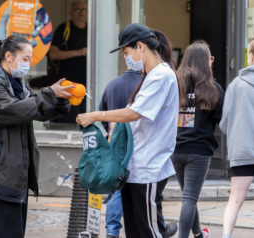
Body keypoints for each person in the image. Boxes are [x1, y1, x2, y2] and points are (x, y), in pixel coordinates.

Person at [77, 23, 181, 238]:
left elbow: (134, 113)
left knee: (149, 232)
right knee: (135, 232)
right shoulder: (152, 75)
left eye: (126, 52)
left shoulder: (161, 75)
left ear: (140, 47)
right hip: (136, 168)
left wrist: (96, 115)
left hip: (148, 167)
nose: (126, 57)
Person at [0, 35, 74, 238]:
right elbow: (14, 110)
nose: (28, 63)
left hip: (17, 171)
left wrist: (59, 102)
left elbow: (33, 108)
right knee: (9, 233)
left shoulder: (18, 83)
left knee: (15, 232)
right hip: (0, 171)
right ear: (9, 56)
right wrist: (49, 93)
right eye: (25, 59)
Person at [100, 61, 178, 238]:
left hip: (126, 153)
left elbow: (107, 116)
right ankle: (160, 226)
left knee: (116, 190)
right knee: (147, 223)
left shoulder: (117, 84)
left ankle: (112, 230)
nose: (126, 56)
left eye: (126, 52)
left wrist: (101, 121)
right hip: (140, 158)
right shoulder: (146, 82)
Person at [171, 41, 225, 238]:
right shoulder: (214, 89)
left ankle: (198, 234)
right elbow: (222, 121)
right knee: (190, 198)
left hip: (176, 149)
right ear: (205, 62)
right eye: (210, 59)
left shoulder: (175, 87)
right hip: (199, 151)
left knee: (188, 196)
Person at [220, 39, 254, 238]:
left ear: (250, 57)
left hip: (243, 148)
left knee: (235, 199)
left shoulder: (236, 85)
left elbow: (225, 122)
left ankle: (226, 236)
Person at [49, 0, 87, 123]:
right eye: (77, 9)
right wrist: (78, 52)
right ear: (71, 13)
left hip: (89, 83)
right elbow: (53, 54)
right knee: (71, 117)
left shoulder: (93, 31)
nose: (81, 13)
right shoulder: (63, 29)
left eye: (84, 9)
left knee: (86, 116)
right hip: (68, 84)